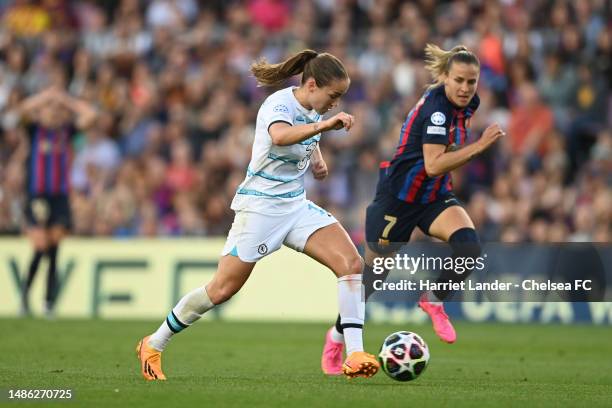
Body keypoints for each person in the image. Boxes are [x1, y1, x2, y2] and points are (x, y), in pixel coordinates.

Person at [136, 49, 380, 381]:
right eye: (332, 95)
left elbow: (307, 130)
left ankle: (354, 354)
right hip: (260, 209)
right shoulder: (278, 105)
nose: (335, 103)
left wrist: (318, 156)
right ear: (311, 85)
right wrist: (326, 124)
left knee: (352, 264)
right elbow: (280, 135)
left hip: (295, 206)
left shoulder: (312, 109)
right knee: (221, 289)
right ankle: (153, 343)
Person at [321, 44, 506, 374]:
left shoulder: (468, 103)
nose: (466, 88)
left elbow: (437, 166)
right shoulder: (437, 109)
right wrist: (480, 146)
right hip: (397, 199)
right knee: (373, 278)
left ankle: (433, 300)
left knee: (469, 248)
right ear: (445, 78)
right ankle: (336, 336)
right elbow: (434, 164)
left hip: (433, 196)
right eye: (459, 80)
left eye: (472, 81)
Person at [16, 86, 97, 316]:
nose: (52, 113)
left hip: (60, 197)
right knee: (41, 245)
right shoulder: (34, 130)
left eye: (55, 110)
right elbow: (20, 110)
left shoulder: (66, 132)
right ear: (41, 113)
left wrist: (65, 99)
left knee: (54, 248)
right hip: (38, 195)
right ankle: (25, 296)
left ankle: (48, 302)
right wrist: (45, 96)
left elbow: (91, 115)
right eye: (48, 110)